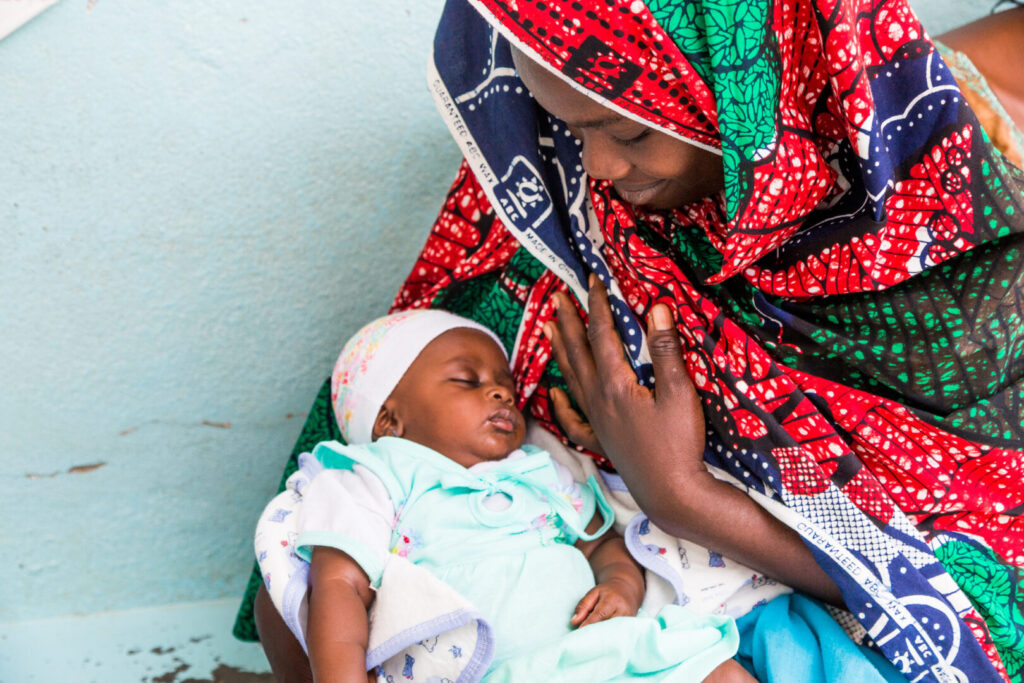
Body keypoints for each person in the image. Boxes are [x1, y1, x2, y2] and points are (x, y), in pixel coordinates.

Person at [238, 1, 1024, 681]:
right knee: (298, 573)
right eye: (568, 128)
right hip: (573, 589)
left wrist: (686, 496)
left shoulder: (947, 244)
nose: (599, 168)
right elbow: (390, 431)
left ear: (741, 92)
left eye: (623, 134)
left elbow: (962, 587)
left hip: (739, 595)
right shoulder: (569, 205)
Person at [256, 309, 756, 682]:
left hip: (597, 653)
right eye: (467, 381)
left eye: (506, 388)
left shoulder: (539, 469)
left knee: (720, 673)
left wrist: (620, 585)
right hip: (489, 669)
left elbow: (598, 544)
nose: (499, 394)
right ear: (389, 420)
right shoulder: (374, 474)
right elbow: (339, 585)